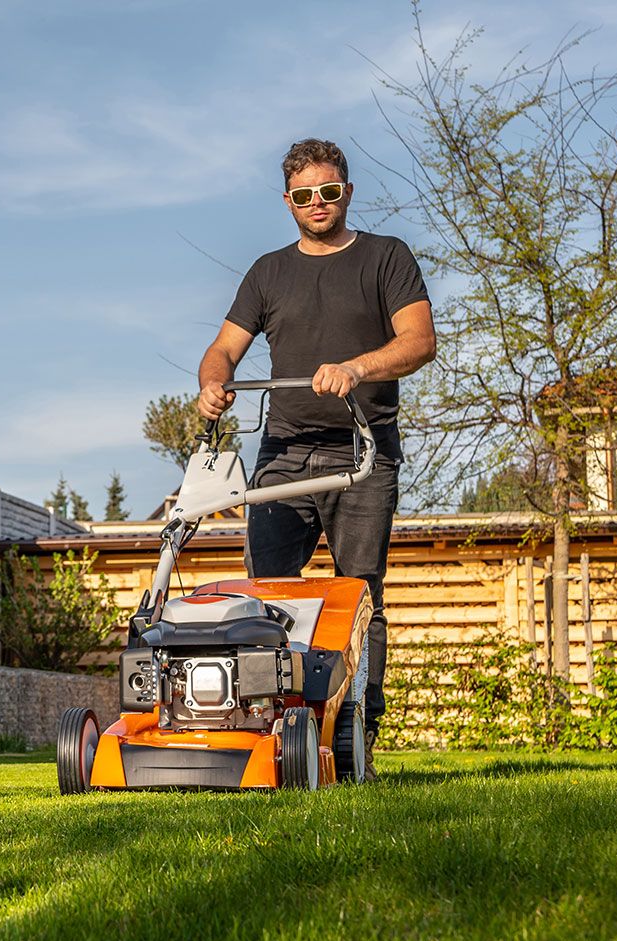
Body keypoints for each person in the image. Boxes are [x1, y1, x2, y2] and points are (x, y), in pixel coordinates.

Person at [197, 138, 436, 780]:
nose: (317, 204)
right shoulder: (268, 272)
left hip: (363, 451)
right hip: (283, 453)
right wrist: (212, 382)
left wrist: (359, 367)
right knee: (264, 595)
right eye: (304, 196)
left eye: (328, 192)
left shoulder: (387, 258)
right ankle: (264, 730)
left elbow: (419, 342)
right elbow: (224, 347)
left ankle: (360, 737)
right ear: (288, 202)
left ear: (347, 192)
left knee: (359, 594)